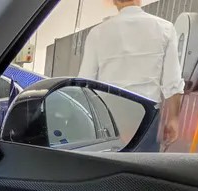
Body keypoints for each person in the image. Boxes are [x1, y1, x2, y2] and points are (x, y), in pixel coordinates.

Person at [78, 0, 184, 151]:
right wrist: (173, 119)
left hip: (109, 115)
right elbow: (173, 83)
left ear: (114, 1)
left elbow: (85, 82)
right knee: (142, 164)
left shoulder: (98, 33)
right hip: (147, 114)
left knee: (108, 162)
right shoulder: (165, 28)